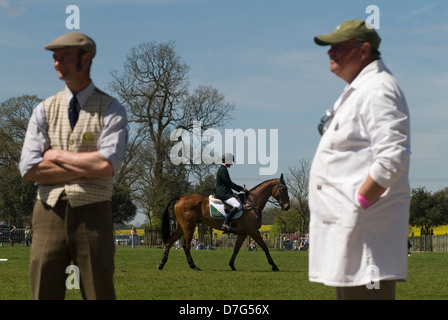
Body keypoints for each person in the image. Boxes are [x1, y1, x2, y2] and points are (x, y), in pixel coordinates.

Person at [19, 32, 128, 300]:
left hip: (93, 214)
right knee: (43, 292)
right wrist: (88, 163)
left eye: (65, 57)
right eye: (55, 58)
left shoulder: (112, 109)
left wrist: (55, 154)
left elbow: (107, 164)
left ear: (87, 59)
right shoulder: (43, 109)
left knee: (98, 293)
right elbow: (29, 168)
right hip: (47, 213)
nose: (57, 63)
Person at [308, 20, 411, 300]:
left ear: (364, 50)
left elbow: (393, 157)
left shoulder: (378, 89)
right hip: (353, 237)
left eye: (338, 46)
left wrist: (358, 205)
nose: (330, 53)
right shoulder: (360, 89)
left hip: (365, 239)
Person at [214, 153, 247, 232]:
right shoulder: (223, 170)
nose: (231, 164)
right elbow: (229, 183)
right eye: (231, 162)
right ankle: (226, 223)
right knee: (238, 205)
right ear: (227, 161)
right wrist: (241, 188)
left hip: (225, 191)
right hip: (222, 192)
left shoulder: (223, 169)